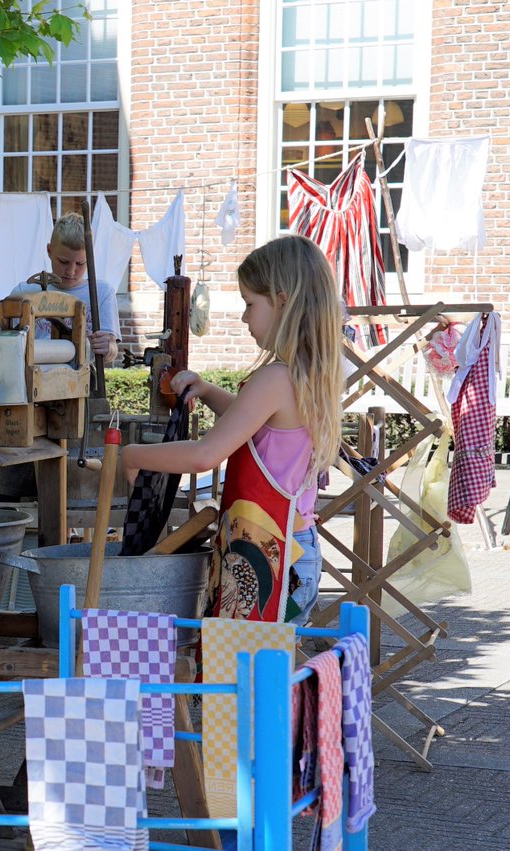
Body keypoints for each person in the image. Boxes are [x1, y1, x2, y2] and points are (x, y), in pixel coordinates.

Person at [121, 235, 343, 628]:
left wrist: (133, 455)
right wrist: (206, 391)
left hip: (270, 557)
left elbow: (206, 454)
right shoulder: (306, 374)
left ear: (282, 300)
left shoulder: (276, 378)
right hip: (292, 551)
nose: (243, 318)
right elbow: (258, 428)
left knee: (240, 680)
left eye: (249, 304)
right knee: (261, 678)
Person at [0, 211, 122, 503]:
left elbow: (111, 351)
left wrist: (107, 346)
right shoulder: (24, 292)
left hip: (78, 401)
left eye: (80, 264)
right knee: (16, 483)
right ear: (49, 251)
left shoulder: (100, 292)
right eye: (63, 262)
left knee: (71, 490)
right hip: (28, 398)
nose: (71, 271)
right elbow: (5, 346)